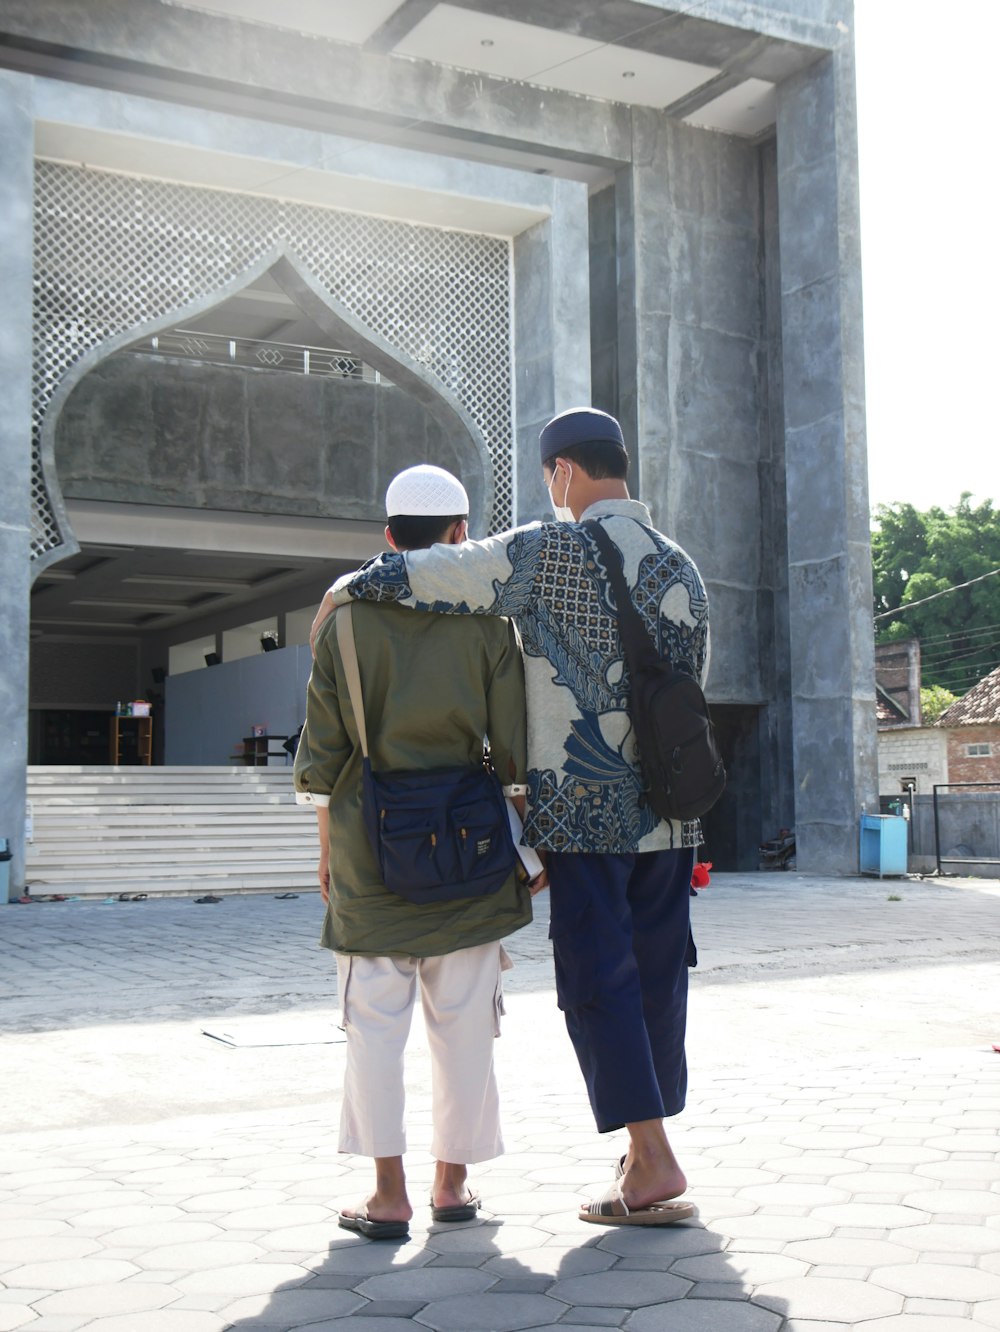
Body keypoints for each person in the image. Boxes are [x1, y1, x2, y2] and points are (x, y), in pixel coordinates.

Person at [310, 408, 710, 1228]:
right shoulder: (684, 567)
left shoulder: (544, 550)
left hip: (586, 817)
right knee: (661, 979)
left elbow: (425, 573)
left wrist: (349, 585)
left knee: (601, 984)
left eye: (549, 480)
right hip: (674, 819)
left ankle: (654, 1158)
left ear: (562, 471)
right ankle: (644, 1152)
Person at [295, 464, 532, 1241]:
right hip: (469, 841)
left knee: (372, 1023)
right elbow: (515, 748)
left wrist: (328, 854)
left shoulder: (344, 617)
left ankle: (387, 1196)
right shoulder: (490, 622)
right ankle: (452, 1187)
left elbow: (324, 756)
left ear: (389, 537)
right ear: (461, 536)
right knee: (466, 1019)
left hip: (371, 844)